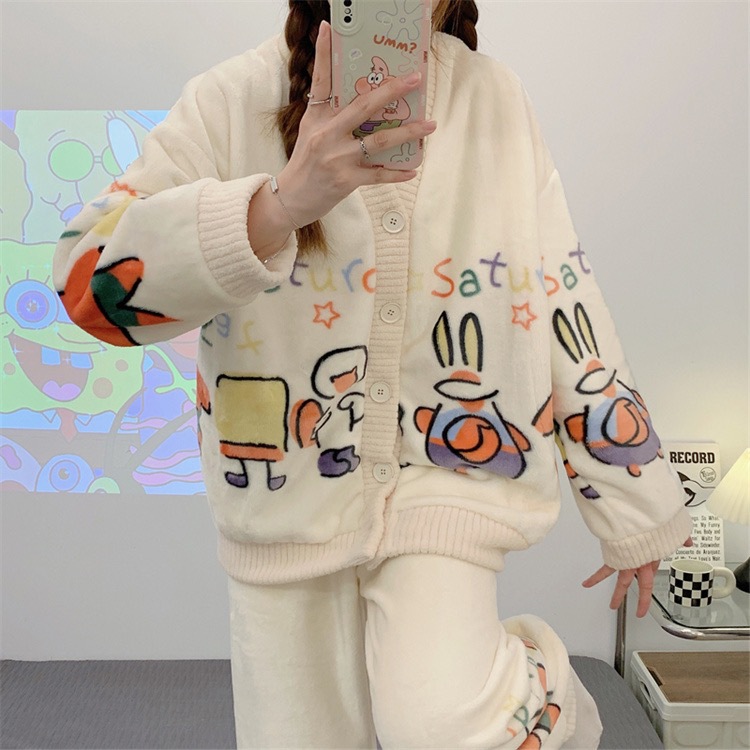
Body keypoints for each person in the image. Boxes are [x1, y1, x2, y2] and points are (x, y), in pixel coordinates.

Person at [53, 1, 692, 747]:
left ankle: (555, 703)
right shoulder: (230, 99)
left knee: (445, 722)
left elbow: (561, 292)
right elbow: (87, 284)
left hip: (447, 482)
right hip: (282, 502)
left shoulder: (493, 98)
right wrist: (280, 205)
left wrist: (636, 509)